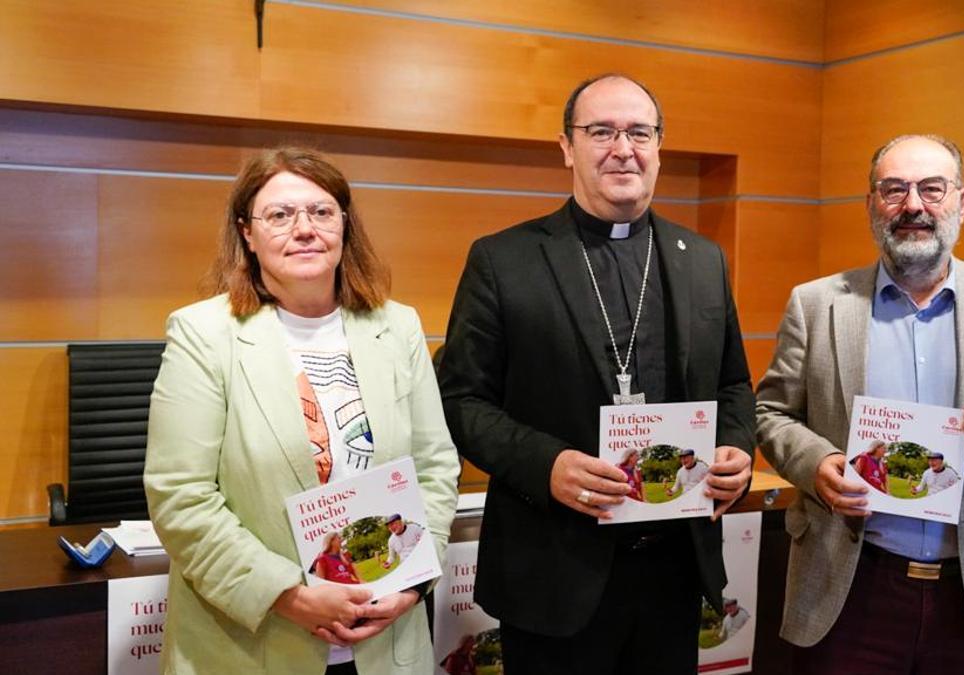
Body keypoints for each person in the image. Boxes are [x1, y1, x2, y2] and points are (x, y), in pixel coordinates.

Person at [438, 73, 755, 675]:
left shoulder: (703, 260)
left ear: (659, 145)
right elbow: (461, 400)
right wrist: (546, 465)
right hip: (554, 572)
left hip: (674, 572)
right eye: (601, 131)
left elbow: (734, 384)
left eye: (639, 131)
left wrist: (734, 449)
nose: (623, 147)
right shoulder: (504, 260)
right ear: (567, 147)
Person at [756, 134, 964, 674]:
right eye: (894, 189)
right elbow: (771, 414)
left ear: (962, 201)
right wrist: (816, 465)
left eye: (932, 189)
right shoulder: (816, 304)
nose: (913, 205)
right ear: (870, 204)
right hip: (849, 585)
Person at [144, 146, 460, 674]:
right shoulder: (203, 334)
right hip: (255, 642)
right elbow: (182, 497)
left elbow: (434, 467)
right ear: (247, 232)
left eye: (321, 211)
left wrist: (412, 580)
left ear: (344, 225)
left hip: (387, 641)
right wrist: (287, 594)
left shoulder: (397, 326)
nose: (305, 229)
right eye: (280, 215)